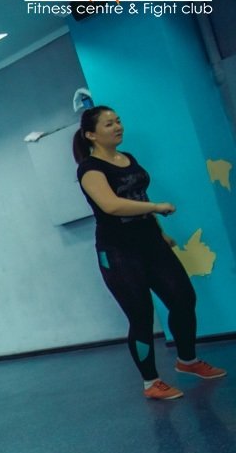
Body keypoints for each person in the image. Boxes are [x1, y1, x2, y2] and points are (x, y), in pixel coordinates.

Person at [73, 106, 225, 398]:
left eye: (118, 121)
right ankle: (151, 382)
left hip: (150, 242)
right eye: (109, 124)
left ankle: (187, 361)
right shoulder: (90, 169)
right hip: (118, 251)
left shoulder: (128, 159)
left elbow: (138, 197)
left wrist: (159, 230)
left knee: (183, 299)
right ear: (91, 134)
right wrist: (156, 207)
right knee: (140, 315)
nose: (118, 127)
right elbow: (111, 205)